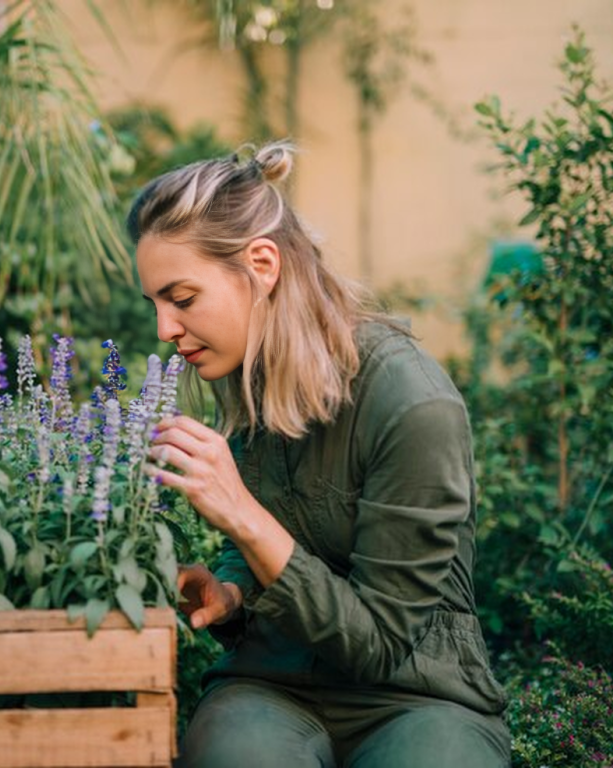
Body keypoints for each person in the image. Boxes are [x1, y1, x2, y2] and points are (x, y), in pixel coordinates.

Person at [127, 141, 510, 768]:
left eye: (183, 299)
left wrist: (242, 513)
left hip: (418, 694)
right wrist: (230, 592)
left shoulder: (412, 402)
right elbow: (265, 539)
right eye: (158, 305)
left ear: (261, 264)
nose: (164, 330)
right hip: (274, 685)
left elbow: (381, 645)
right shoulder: (244, 371)